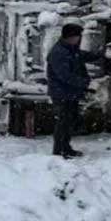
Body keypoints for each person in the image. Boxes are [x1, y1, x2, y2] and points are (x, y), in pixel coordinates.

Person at [46, 22, 95, 158]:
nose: (79, 39)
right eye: (78, 36)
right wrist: (86, 83)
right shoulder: (59, 53)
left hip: (70, 93)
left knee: (69, 121)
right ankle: (59, 151)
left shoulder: (70, 48)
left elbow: (81, 56)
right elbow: (65, 76)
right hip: (61, 93)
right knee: (63, 123)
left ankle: (66, 148)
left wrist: (99, 55)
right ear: (70, 37)